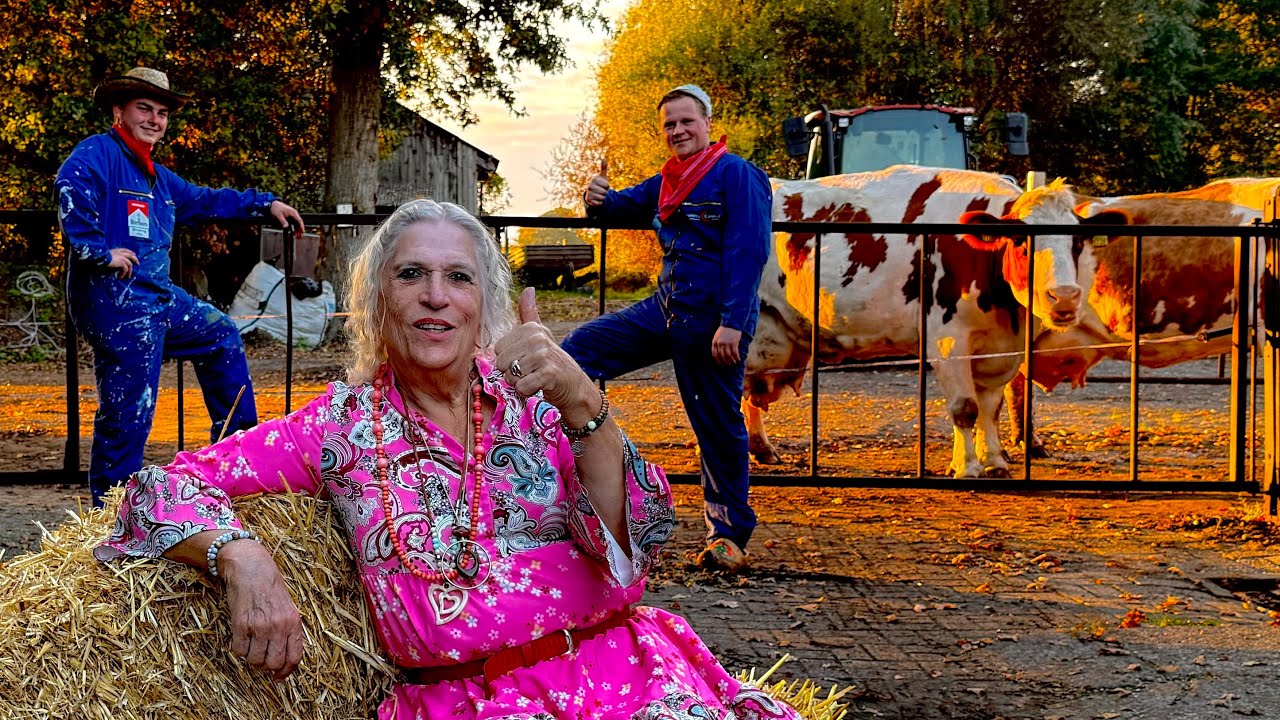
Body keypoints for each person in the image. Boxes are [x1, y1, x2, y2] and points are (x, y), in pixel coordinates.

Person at [93, 199, 801, 720]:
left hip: (629, 675)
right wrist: (240, 556)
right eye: (411, 275)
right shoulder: (336, 427)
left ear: (484, 302)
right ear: (377, 300)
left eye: (458, 278)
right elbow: (160, 485)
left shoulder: (539, 400)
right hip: (468, 704)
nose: (436, 297)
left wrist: (582, 397)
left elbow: (632, 542)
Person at [54, 66, 305, 507]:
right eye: (144, 109)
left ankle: (234, 461)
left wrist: (264, 203)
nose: (154, 119)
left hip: (158, 300)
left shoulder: (158, 177)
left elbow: (209, 199)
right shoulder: (97, 154)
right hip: (118, 307)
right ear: (120, 111)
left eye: (162, 113)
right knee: (130, 412)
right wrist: (99, 252)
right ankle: (112, 512)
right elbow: (69, 190)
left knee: (220, 334)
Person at [570, 84, 772, 573]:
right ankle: (574, 481)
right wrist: (596, 198)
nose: (678, 131)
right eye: (669, 125)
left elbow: (749, 254)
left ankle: (728, 537)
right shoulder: (668, 181)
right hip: (666, 308)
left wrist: (732, 325)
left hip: (712, 324)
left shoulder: (736, 175)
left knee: (717, 426)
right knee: (575, 354)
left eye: (687, 121)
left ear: (707, 124)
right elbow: (619, 208)